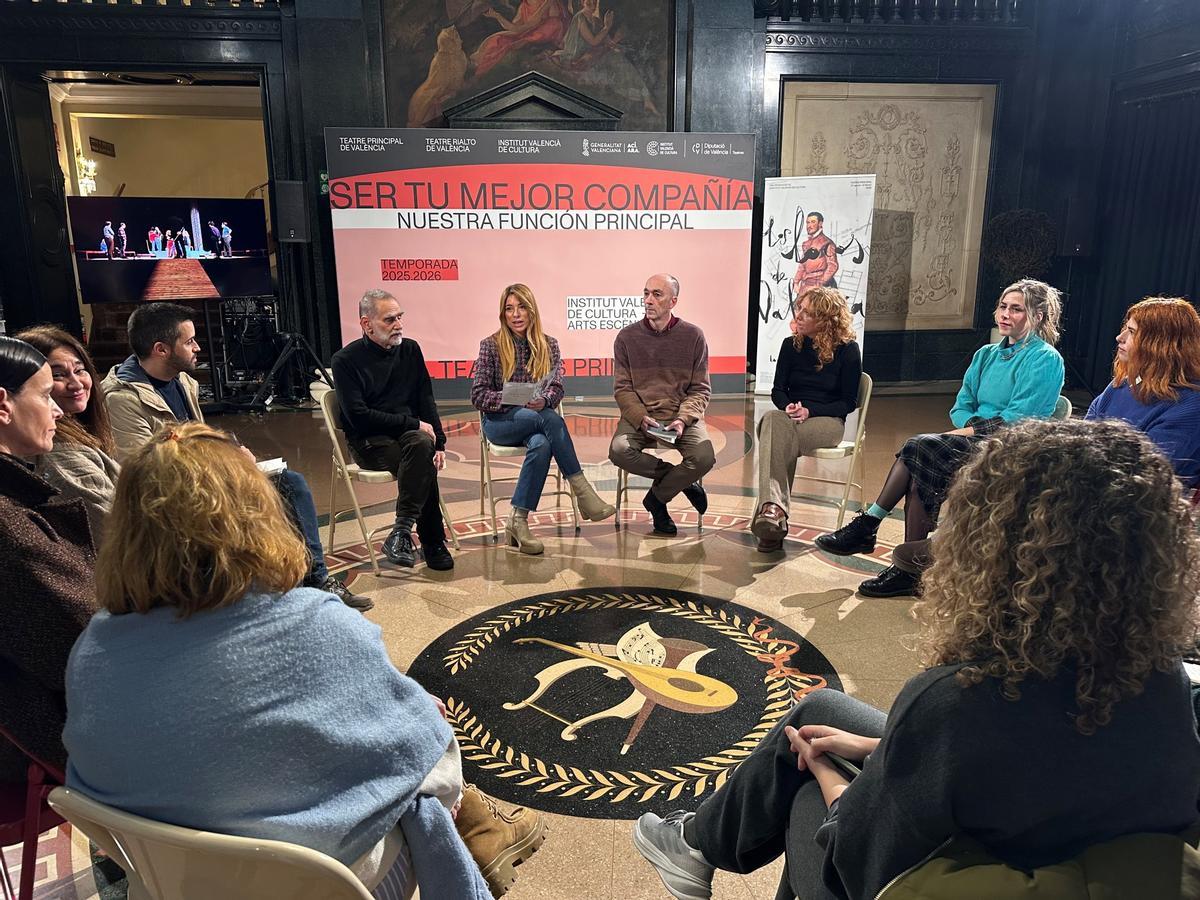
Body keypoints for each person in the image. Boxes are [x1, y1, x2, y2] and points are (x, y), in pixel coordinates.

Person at [634, 418, 1200, 900]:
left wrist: (832, 778)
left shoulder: (958, 698)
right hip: (1061, 866)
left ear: (997, 549)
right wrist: (877, 747)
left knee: (804, 784)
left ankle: (697, 845)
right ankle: (696, 845)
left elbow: (858, 859)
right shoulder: (1165, 679)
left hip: (934, 882)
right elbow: (1034, 765)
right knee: (819, 710)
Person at [63, 422, 545, 900]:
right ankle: (483, 834)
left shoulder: (92, 651)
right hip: (322, 883)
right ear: (255, 513)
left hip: (172, 882)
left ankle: (486, 830)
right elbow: (426, 762)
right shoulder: (316, 623)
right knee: (424, 745)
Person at [101, 303, 371, 611]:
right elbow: (148, 471)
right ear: (161, 349)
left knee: (290, 484)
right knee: (261, 501)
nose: (197, 347)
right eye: (189, 341)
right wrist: (225, 467)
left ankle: (314, 578)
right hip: (175, 495)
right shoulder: (123, 399)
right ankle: (267, 590)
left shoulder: (182, 381)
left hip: (206, 476)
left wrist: (230, 450)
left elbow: (198, 438)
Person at [815, 278, 1064, 597]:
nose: (1005, 314)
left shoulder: (1045, 359)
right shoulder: (986, 354)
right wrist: (969, 429)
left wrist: (969, 431)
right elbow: (961, 406)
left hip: (1013, 450)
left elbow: (1019, 420)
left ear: (1038, 316)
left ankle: (871, 525)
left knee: (918, 447)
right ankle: (910, 571)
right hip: (975, 440)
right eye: (1003, 306)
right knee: (920, 466)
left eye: (1016, 309)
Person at [0, 336, 96, 785]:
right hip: (46, 735)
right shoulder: (9, 524)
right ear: (3, 405)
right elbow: (84, 648)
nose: (57, 410)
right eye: (44, 395)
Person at [471, 283, 615, 554]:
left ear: (532, 310)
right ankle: (583, 492)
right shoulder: (491, 345)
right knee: (549, 420)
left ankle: (518, 520)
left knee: (542, 442)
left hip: (536, 418)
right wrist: (511, 397)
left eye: (521, 307)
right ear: (503, 314)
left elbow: (557, 387)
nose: (516, 314)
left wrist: (545, 400)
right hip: (500, 422)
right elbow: (478, 395)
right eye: (509, 309)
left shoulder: (549, 345)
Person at [331, 289, 454, 571]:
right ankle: (433, 541)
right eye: (389, 319)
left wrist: (439, 442)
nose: (398, 324)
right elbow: (359, 417)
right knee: (421, 459)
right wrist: (414, 424)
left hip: (409, 438)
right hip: (369, 441)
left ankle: (401, 531)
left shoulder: (410, 350)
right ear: (367, 324)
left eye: (400, 317)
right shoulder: (345, 360)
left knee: (423, 447)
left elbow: (425, 398)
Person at [752, 287, 862, 553]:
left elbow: (848, 402)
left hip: (828, 422)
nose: (798, 316)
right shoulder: (790, 345)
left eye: (807, 313)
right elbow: (778, 390)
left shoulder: (848, 350)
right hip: (790, 419)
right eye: (799, 308)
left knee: (775, 433)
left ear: (825, 319)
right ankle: (773, 512)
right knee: (773, 419)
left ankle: (772, 514)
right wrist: (788, 406)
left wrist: (810, 411)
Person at [16, 326, 120, 543]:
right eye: (58, 375)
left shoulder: (78, 429)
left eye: (80, 370)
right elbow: (119, 534)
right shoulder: (59, 454)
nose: (76, 384)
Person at [1086, 296, 1200, 489]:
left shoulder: (1191, 405)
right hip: (1094, 486)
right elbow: (1080, 441)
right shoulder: (1120, 385)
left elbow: (1147, 476)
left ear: (1161, 344)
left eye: (1131, 332)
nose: (1119, 337)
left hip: (1140, 501)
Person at [790, 212, 838, 296]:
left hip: (821, 289)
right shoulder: (806, 244)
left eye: (813, 222)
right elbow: (802, 265)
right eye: (808, 222)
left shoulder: (827, 243)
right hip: (806, 285)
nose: (809, 225)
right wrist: (796, 282)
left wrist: (820, 283)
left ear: (820, 223)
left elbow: (832, 266)